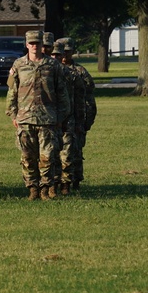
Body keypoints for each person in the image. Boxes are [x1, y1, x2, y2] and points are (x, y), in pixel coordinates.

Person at [6, 30, 70, 200]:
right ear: (27, 45)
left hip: (48, 119)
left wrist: (61, 117)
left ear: (42, 45)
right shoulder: (18, 65)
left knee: (47, 157)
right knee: (27, 157)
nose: (35, 46)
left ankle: (45, 188)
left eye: (37, 43)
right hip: (25, 118)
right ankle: (32, 188)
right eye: (31, 43)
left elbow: (62, 93)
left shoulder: (53, 65)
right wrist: (13, 114)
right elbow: (12, 91)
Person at [56, 37, 97, 191]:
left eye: (68, 51)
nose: (65, 55)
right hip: (57, 118)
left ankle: (74, 181)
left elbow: (88, 98)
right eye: (63, 52)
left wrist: (87, 120)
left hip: (75, 119)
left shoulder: (80, 72)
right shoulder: (52, 70)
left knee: (75, 152)